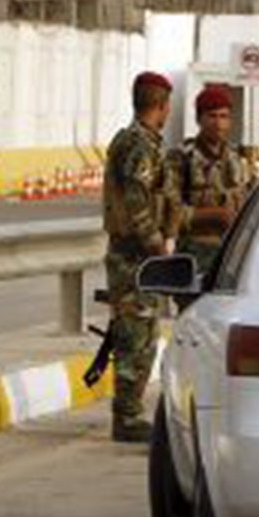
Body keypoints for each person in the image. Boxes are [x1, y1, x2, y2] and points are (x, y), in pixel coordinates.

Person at [103, 71, 174, 445]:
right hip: (134, 257)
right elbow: (135, 198)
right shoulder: (139, 145)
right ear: (162, 105)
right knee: (135, 337)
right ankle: (127, 416)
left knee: (143, 335)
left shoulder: (135, 141)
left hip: (135, 255)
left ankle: (130, 412)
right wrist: (155, 242)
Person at [165, 83, 257, 282]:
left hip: (233, 255)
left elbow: (253, 202)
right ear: (199, 119)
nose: (219, 124)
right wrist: (208, 216)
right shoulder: (181, 158)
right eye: (212, 116)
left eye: (224, 117)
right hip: (196, 253)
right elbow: (166, 211)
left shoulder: (238, 159)